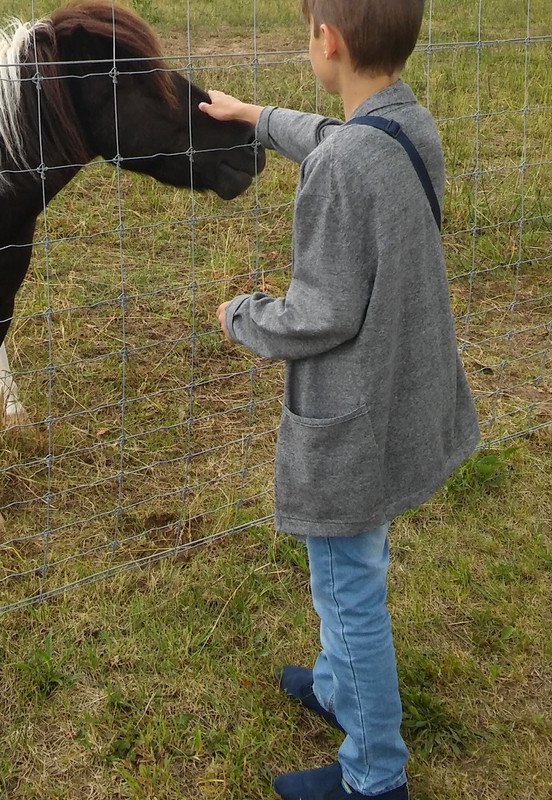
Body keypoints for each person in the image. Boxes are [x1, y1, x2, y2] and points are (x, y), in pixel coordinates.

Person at [198, 0, 480, 798]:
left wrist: (240, 316)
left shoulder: (344, 167)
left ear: (328, 39)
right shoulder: (407, 127)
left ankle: (374, 774)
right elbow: (336, 138)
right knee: (358, 559)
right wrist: (255, 117)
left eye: (306, 27)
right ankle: (333, 686)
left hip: (350, 421)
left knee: (346, 587)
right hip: (398, 397)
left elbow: (319, 313)